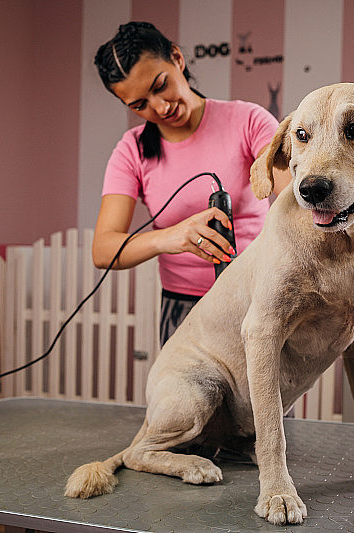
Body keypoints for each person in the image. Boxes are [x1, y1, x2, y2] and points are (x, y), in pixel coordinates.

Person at [92, 22, 291, 346]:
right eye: (139, 105)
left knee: (265, 398)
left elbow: (293, 196)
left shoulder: (249, 121)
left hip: (257, 298)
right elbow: (103, 250)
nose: (159, 107)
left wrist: (346, 212)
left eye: (160, 85)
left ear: (177, 58)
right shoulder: (132, 150)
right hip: (182, 310)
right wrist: (170, 237)